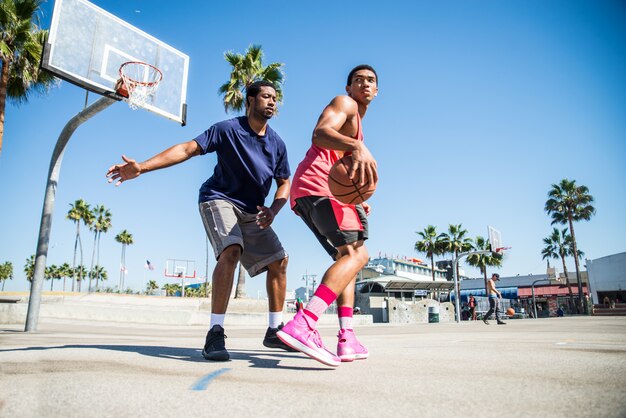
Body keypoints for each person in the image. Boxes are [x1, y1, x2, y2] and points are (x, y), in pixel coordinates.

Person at [105, 80, 294, 361]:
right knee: (231, 250)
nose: (272, 102)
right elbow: (187, 149)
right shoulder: (227, 129)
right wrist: (142, 167)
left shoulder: (277, 143)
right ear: (250, 101)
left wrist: (274, 209)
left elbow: (284, 182)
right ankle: (215, 333)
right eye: (266, 96)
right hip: (218, 198)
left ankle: (274, 331)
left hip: (253, 211)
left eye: (274, 98)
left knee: (279, 260)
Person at [277, 65, 379, 367]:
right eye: (357, 80)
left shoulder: (358, 121)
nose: (364, 84)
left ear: (377, 91)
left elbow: (344, 167)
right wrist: (356, 145)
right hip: (320, 187)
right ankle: (304, 323)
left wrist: (358, 198)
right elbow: (320, 134)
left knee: (347, 258)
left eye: (370, 81)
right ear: (348, 88)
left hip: (314, 191)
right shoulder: (344, 104)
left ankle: (347, 338)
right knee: (357, 256)